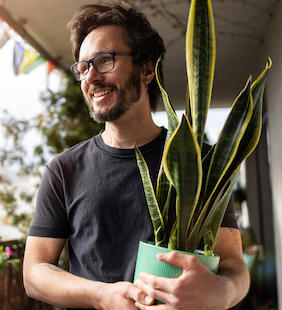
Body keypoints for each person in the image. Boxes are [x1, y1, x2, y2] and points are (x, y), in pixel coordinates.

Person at [23, 4, 250, 310]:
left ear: (147, 69)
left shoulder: (200, 164)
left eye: (104, 61)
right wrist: (102, 296)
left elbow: (234, 266)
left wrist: (220, 293)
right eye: (83, 67)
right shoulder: (64, 170)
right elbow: (34, 273)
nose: (91, 77)